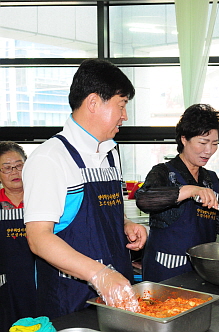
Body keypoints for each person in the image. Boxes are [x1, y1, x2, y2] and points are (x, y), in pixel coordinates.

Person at [23, 59, 147, 319]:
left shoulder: (111, 153)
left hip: (116, 291)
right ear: (93, 102)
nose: (124, 116)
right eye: (121, 105)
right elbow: (38, 237)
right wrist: (99, 274)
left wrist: (123, 223)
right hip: (70, 300)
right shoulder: (50, 158)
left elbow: (97, 213)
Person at [135, 104, 219, 282]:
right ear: (184, 139)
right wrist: (189, 190)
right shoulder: (163, 172)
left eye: (214, 143)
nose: (209, 150)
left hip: (202, 268)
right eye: (203, 143)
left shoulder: (210, 179)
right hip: (166, 270)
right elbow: (144, 199)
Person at [0, 142, 36, 331]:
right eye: (7, 168)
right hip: (7, 285)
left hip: (41, 280)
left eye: (19, 165)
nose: (14, 171)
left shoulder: (41, 199)